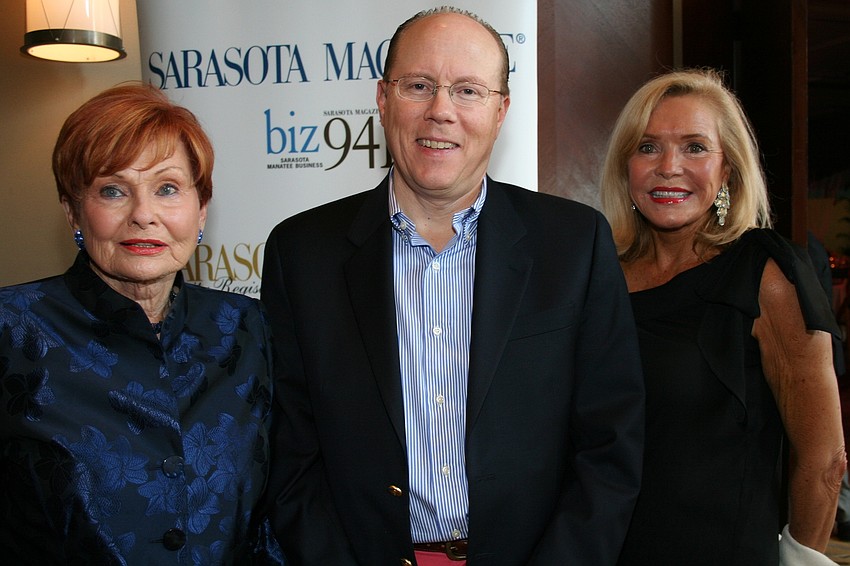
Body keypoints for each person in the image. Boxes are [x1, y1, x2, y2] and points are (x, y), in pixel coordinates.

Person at [261, 6, 644, 566]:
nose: (441, 111)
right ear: (383, 99)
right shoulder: (302, 254)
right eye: (419, 85)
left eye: (468, 90)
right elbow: (287, 454)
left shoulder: (574, 245)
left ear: (500, 110)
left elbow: (612, 447)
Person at [0, 84, 282, 564]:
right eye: (113, 190)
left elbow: (269, 518)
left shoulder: (246, 328)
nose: (143, 215)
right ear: (73, 209)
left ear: (201, 209)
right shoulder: (12, 329)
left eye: (167, 188)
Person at [600, 68, 846, 565]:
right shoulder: (599, 274)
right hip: (602, 550)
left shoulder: (765, 274)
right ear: (625, 165)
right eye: (647, 147)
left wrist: (800, 561)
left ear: (728, 170)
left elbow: (824, 460)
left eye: (694, 147)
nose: (669, 166)